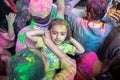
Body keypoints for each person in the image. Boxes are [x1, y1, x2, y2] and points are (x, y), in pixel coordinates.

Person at [0, 12, 16, 78]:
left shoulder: (2, 30)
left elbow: (11, 37)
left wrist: (10, 24)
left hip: (9, 46)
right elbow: (11, 37)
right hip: (8, 48)